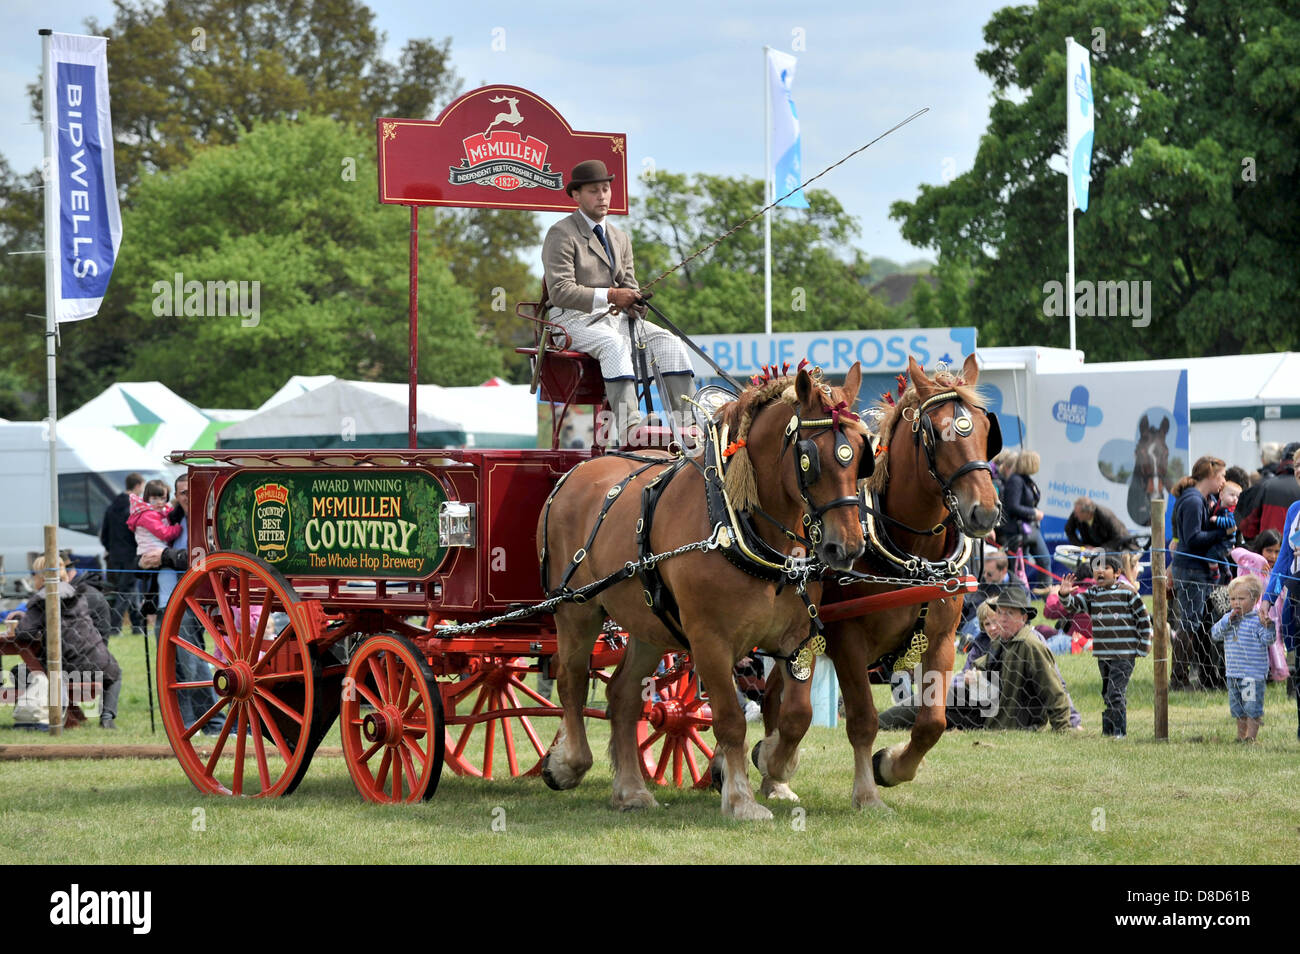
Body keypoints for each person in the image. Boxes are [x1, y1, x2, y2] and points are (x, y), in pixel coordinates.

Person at [541, 159, 695, 445]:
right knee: (614, 345)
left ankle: (688, 425)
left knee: (670, 343)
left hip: (616, 320)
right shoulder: (561, 233)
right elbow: (560, 291)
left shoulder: (620, 237)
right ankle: (630, 427)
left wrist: (636, 303)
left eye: (606, 189)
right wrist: (612, 296)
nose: (602, 196)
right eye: (593, 191)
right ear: (576, 195)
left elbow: (630, 287)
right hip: (571, 320)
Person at [879, 588, 1080, 732]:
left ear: (1024, 617)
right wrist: (975, 676)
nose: (1002, 619)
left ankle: (880, 723)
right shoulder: (1002, 640)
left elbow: (1054, 688)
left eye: (1009, 613)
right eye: (999, 612)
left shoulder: (1030, 643)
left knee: (932, 698)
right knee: (932, 697)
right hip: (984, 703)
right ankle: (880, 723)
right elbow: (982, 666)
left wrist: (1067, 726)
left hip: (1008, 720)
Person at [140, 474, 225, 736]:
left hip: (191, 600)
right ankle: (194, 723)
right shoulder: (169, 521)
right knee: (173, 666)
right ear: (176, 496)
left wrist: (166, 556)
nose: (186, 497)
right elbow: (148, 551)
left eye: (190, 491)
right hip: (165, 600)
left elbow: (205, 557)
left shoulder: (207, 523)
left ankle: (207, 722)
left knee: (191, 662)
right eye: (182, 493)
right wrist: (144, 563)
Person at [10, 555, 122, 729]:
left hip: (64, 667)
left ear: (40, 577)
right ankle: (107, 717)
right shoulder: (79, 594)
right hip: (97, 662)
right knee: (115, 673)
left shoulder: (42, 599)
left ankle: (39, 713)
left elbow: (25, 632)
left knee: (19, 672)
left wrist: (21, 620)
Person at [1058, 554, 1152, 738]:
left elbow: (1143, 619)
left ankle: (1119, 733)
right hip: (1103, 654)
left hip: (1124, 654)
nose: (1099, 571)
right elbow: (1073, 606)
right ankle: (1108, 731)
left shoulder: (1128, 592)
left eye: (1105, 568)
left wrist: (1143, 647)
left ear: (1117, 572)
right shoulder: (1094, 594)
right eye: (1096, 568)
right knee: (1107, 693)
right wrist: (1064, 594)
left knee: (1116, 692)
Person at [1169, 455, 1230, 689]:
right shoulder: (1194, 500)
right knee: (1189, 624)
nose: (1224, 480)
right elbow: (1193, 538)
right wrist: (1222, 534)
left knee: (1200, 623)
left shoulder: (1199, 497)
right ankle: (1178, 679)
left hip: (1195, 568)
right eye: (1222, 475)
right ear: (1211, 475)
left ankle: (1205, 677)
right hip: (1192, 569)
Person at [1211, 575, 1273, 742]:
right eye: (1232, 599)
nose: (1236, 603)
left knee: (1252, 707)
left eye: (1241, 598)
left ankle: (1251, 738)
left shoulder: (1257, 622)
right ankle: (1240, 736)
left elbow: (1268, 640)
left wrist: (1269, 626)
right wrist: (1227, 621)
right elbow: (1215, 634)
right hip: (1233, 673)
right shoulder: (1229, 620)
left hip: (1252, 675)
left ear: (1255, 599)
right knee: (1238, 708)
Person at [1260, 499, 1300, 736]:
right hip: (1297, 598)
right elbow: (1285, 557)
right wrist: (1269, 597)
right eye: (1297, 467)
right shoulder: (1295, 509)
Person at [100, 472, 146, 636]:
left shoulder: (111, 507)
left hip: (114, 557)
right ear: (137, 486)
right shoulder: (134, 508)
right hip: (130, 556)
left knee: (130, 590)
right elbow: (138, 534)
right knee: (125, 592)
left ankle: (137, 626)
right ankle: (115, 627)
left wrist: (112, 549)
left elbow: (104, 535)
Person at [1001, 450, 1051, 589]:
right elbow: (1012, 506)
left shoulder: (1026, 479)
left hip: (1031, 529)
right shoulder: (1015, 480)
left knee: (1045, 560)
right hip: (1017, 531)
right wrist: (1033, 512)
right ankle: (1017, 598)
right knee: (1018, 567)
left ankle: (1047, 598)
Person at [1238, 444, 1300, 539]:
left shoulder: (1266, 485)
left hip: (1269, 548)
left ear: (1281, 460)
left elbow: (1248, 527)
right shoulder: (1266, 485)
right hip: (1290, 548)